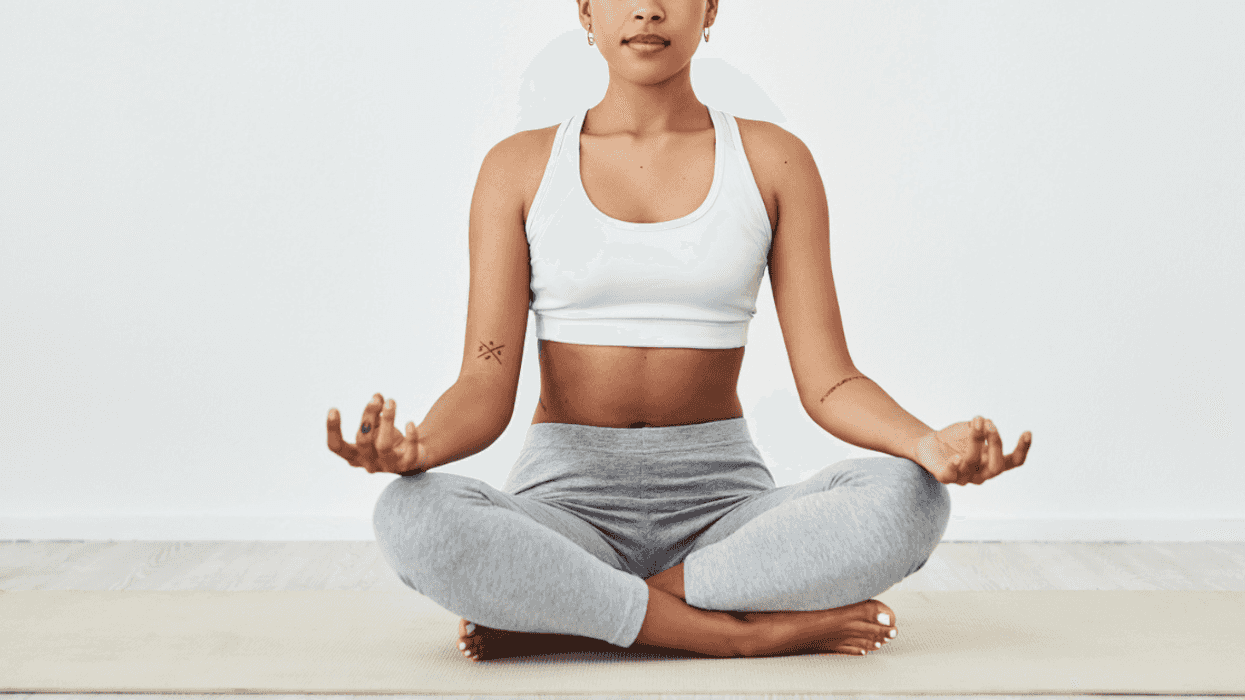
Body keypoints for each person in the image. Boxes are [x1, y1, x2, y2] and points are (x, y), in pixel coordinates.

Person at [327, 0, 1032, 662]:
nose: (647, 9)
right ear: (585, 9)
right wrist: (420, 447)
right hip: (565, 507)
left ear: (711, 8)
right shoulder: (516, 167)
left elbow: (830, 381)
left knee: (909, 497)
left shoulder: (773, 160)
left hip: (722, 513)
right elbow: (484, 379)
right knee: (411, 515)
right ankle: (734, 636)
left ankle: (578, 612)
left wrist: (924, 444)